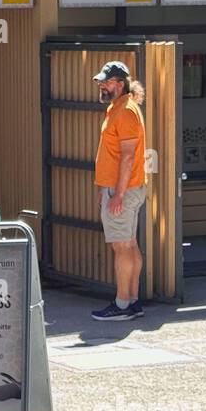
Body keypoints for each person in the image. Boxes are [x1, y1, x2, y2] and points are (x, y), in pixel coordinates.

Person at [91, 61, 147, 321]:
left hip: (123, 189)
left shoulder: (125, 111)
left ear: (120, 84)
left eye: (107, 81)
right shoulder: (119, 108)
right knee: (130, 244)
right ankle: (132, 301)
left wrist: (119, 195)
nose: (102, 85)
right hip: (126, 188)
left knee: (122, 247)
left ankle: (122, 305)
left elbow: (127, 156)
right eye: (102, 81)